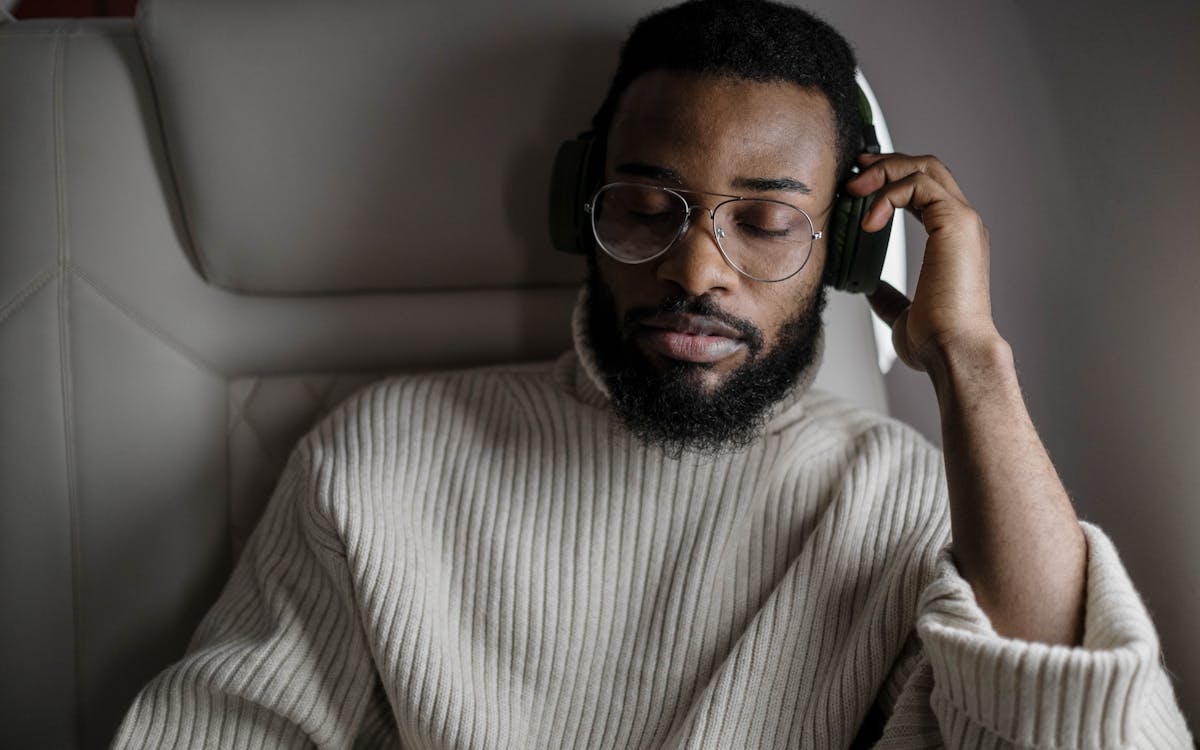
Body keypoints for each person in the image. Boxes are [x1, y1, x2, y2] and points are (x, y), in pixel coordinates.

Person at [114, 1, 1192, 747]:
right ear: (580, 213)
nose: (695, 270)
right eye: (645, 208)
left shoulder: (906, 500)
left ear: (849, 252)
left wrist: (971, 362)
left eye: (767, 223)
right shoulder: (381, 458)